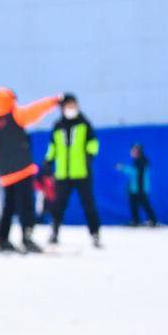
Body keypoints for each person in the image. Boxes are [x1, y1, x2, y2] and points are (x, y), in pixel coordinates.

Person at [0, 87, 64, 253]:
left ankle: (2, 239)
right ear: (10, 100)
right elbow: (36, 110)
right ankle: (27, 237)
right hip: (22, 170)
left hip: (5, 174)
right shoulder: (15, 116)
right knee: (26, 206)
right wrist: (54, 101)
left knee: (8, 207)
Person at [45, 94, 101, 248]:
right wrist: (48, 160)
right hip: (63, 173)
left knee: (88, 204)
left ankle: (95, 234)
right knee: (58, 205)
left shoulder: (84, 123)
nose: (71, 108)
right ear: (62, 108)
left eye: (73, 105)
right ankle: (54, 232)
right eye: (68, 105)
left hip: (81, 172)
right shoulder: (57, 125)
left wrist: (90, 155)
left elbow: (93, 143)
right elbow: (53, 146)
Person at [116, 143, 157, 226]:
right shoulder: (137, 161)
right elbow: (133, 174)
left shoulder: (143, 161)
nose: (132, 152)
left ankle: (153, 220)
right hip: (135, 188)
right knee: (133, 205)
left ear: (139, 151)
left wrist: (123, 167)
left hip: (141, 189)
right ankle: (135, 221)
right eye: (132, 150)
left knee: (145, 204)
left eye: (134, 151)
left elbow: (135, 172)